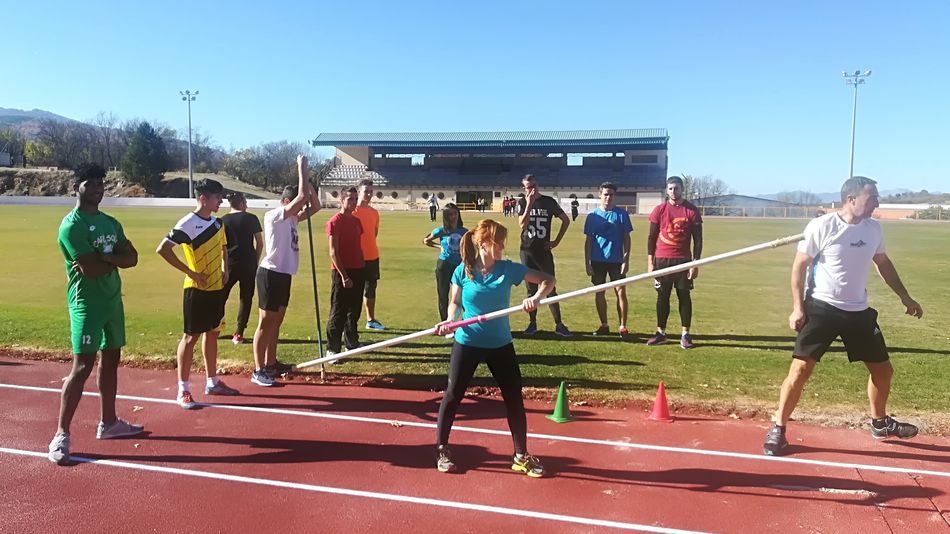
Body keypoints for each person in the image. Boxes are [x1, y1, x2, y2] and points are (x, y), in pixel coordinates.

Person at [762, 176, 924, 456]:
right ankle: (778, 427)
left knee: (883, 371)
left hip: (858, 311)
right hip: (822, 308)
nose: (877, 202)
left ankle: (879, 423)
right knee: (800, 370)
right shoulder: (822, 226)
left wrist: (905, 296)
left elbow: (883, 264)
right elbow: (799, 266)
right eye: (872, 197)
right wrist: (798, 307)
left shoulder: (874, 228)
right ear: (851, 199)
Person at [433, 219, 554, 477]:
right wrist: (451, 320)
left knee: (514, 398)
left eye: (502, 242)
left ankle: (520, 455)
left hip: (500, 343)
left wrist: (535, 298)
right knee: (453, 394)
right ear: (483, 244)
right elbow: (453, 302)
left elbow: (548, 280)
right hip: (468, 341)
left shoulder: (508, 269)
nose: (502, 247)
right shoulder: (462, 271)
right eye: (498, 242)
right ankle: (442, 448)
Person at [49, 163, 144, 465]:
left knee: (112, 360)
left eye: (101, 183)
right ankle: (61, 435)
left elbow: (133, 258)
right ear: (76, 187)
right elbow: (89, 270)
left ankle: (109, 423)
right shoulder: (71, 226)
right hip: (86, 304)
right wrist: (113, 260)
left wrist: (105, 258)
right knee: (82, 367)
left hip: (113, 301)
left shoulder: (111, 223)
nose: (98, 189)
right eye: (91, 184)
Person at [157, 178, 240, 409]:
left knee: (213, 333)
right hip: (196, 290)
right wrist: (191, 273)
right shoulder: (188, 223)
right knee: (190, 337)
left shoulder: (218, 223)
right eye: (217, 197)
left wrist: (224, 269)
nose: (220, 201)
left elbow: (223, 247)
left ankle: (212, 382)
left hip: (216, 289)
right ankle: (182, 389)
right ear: (203, 198)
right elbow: (163, 249)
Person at [250, 155, 321, 386]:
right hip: (270, 273)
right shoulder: (275, 216)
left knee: (277, 321)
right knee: (265, 322)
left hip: (284, 275)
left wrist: (308, 182)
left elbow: (316, 205)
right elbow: (301, 198)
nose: (301, 207)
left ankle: (271, 362)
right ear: (286, 201)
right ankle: (258, 369)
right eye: (297, 204)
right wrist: (302, 168)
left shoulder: (292, 220)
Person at [646, 176, 703, 349]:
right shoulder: (659, 210)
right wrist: (651, 262)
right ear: (666, 190)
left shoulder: (691, 211)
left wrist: (695, 263)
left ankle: (685, 334)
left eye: (676, 188)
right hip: (662, 260)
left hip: (683, 261)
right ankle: (660, 333)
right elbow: (651, 237)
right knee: (662, 297)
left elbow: (698, 240)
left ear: (682, 189)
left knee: (684, 297)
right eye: (670, 188)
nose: (673, 191)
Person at [517, 174, 572, 336]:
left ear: (537, 185)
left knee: (550, 287)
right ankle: (532, 323)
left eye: (533, 186)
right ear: (524, 188)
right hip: (527, 251)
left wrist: (556, 241)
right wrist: (529, 204)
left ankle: (559, 324)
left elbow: (565, 220)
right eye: (528, 187)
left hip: (543, 250)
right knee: (530, 289)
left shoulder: (548, 202)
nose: (531, 189)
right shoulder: (522, 202)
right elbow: (522, 224)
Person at [584, 182, 633, 337]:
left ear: (614, 196)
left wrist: (626, 259)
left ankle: (623, 326)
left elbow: (627, 239)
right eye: (605, 194)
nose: (608, 197)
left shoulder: (621, 214)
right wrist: (587, 263)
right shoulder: (592, 216)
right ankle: (604, 324)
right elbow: (589, 241)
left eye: (611, 194)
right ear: (600, 195)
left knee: (620, 292)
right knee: (599, 292)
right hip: (598, 260)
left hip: (616, 261)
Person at [325, 186, 365, 357]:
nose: (353, 202)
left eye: (355, 199)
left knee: (354, 309)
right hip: (342, 271)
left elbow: (358, 246)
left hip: (358, 269)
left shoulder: (357, 222)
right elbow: (333, 252)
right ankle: (332, 349)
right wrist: (344, 276)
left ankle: (351, 342)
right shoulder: (335, 222)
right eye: (350, 199)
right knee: (338, 311)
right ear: (341, 201)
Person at [221, 192, 263, 345]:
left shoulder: (223, 220)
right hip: (248, 263)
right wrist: (256, 261)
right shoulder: (251, 218)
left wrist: (223, 266)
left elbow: (222, 246)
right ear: (241, 204)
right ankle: (239, 332)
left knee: (221, 295)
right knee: (245, 298)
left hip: (230, 263)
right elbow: (260, 243)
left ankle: (215, 326)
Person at [423, 203, 467, 321]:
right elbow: (426, 240)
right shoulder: (441, 230)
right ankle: (445, 323)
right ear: (446, 216)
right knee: (443, 295)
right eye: (450, 214)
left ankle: (465, 321)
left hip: (459, 267)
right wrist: (439, 247)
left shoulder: (464, 231)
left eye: (455, 213)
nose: (454, 216)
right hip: (444, 265)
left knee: (461, 295)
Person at [354, 178, 386, 331]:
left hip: (372, 256)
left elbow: (374, 233)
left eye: (371, 191)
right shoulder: (352, 212)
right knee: (355, 292)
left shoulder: (374, 213)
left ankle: (370, 320)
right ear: (359, 192)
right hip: (356, 258)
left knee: (371, 289)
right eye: (366, 191)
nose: (369, 194)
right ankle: (351, 322)